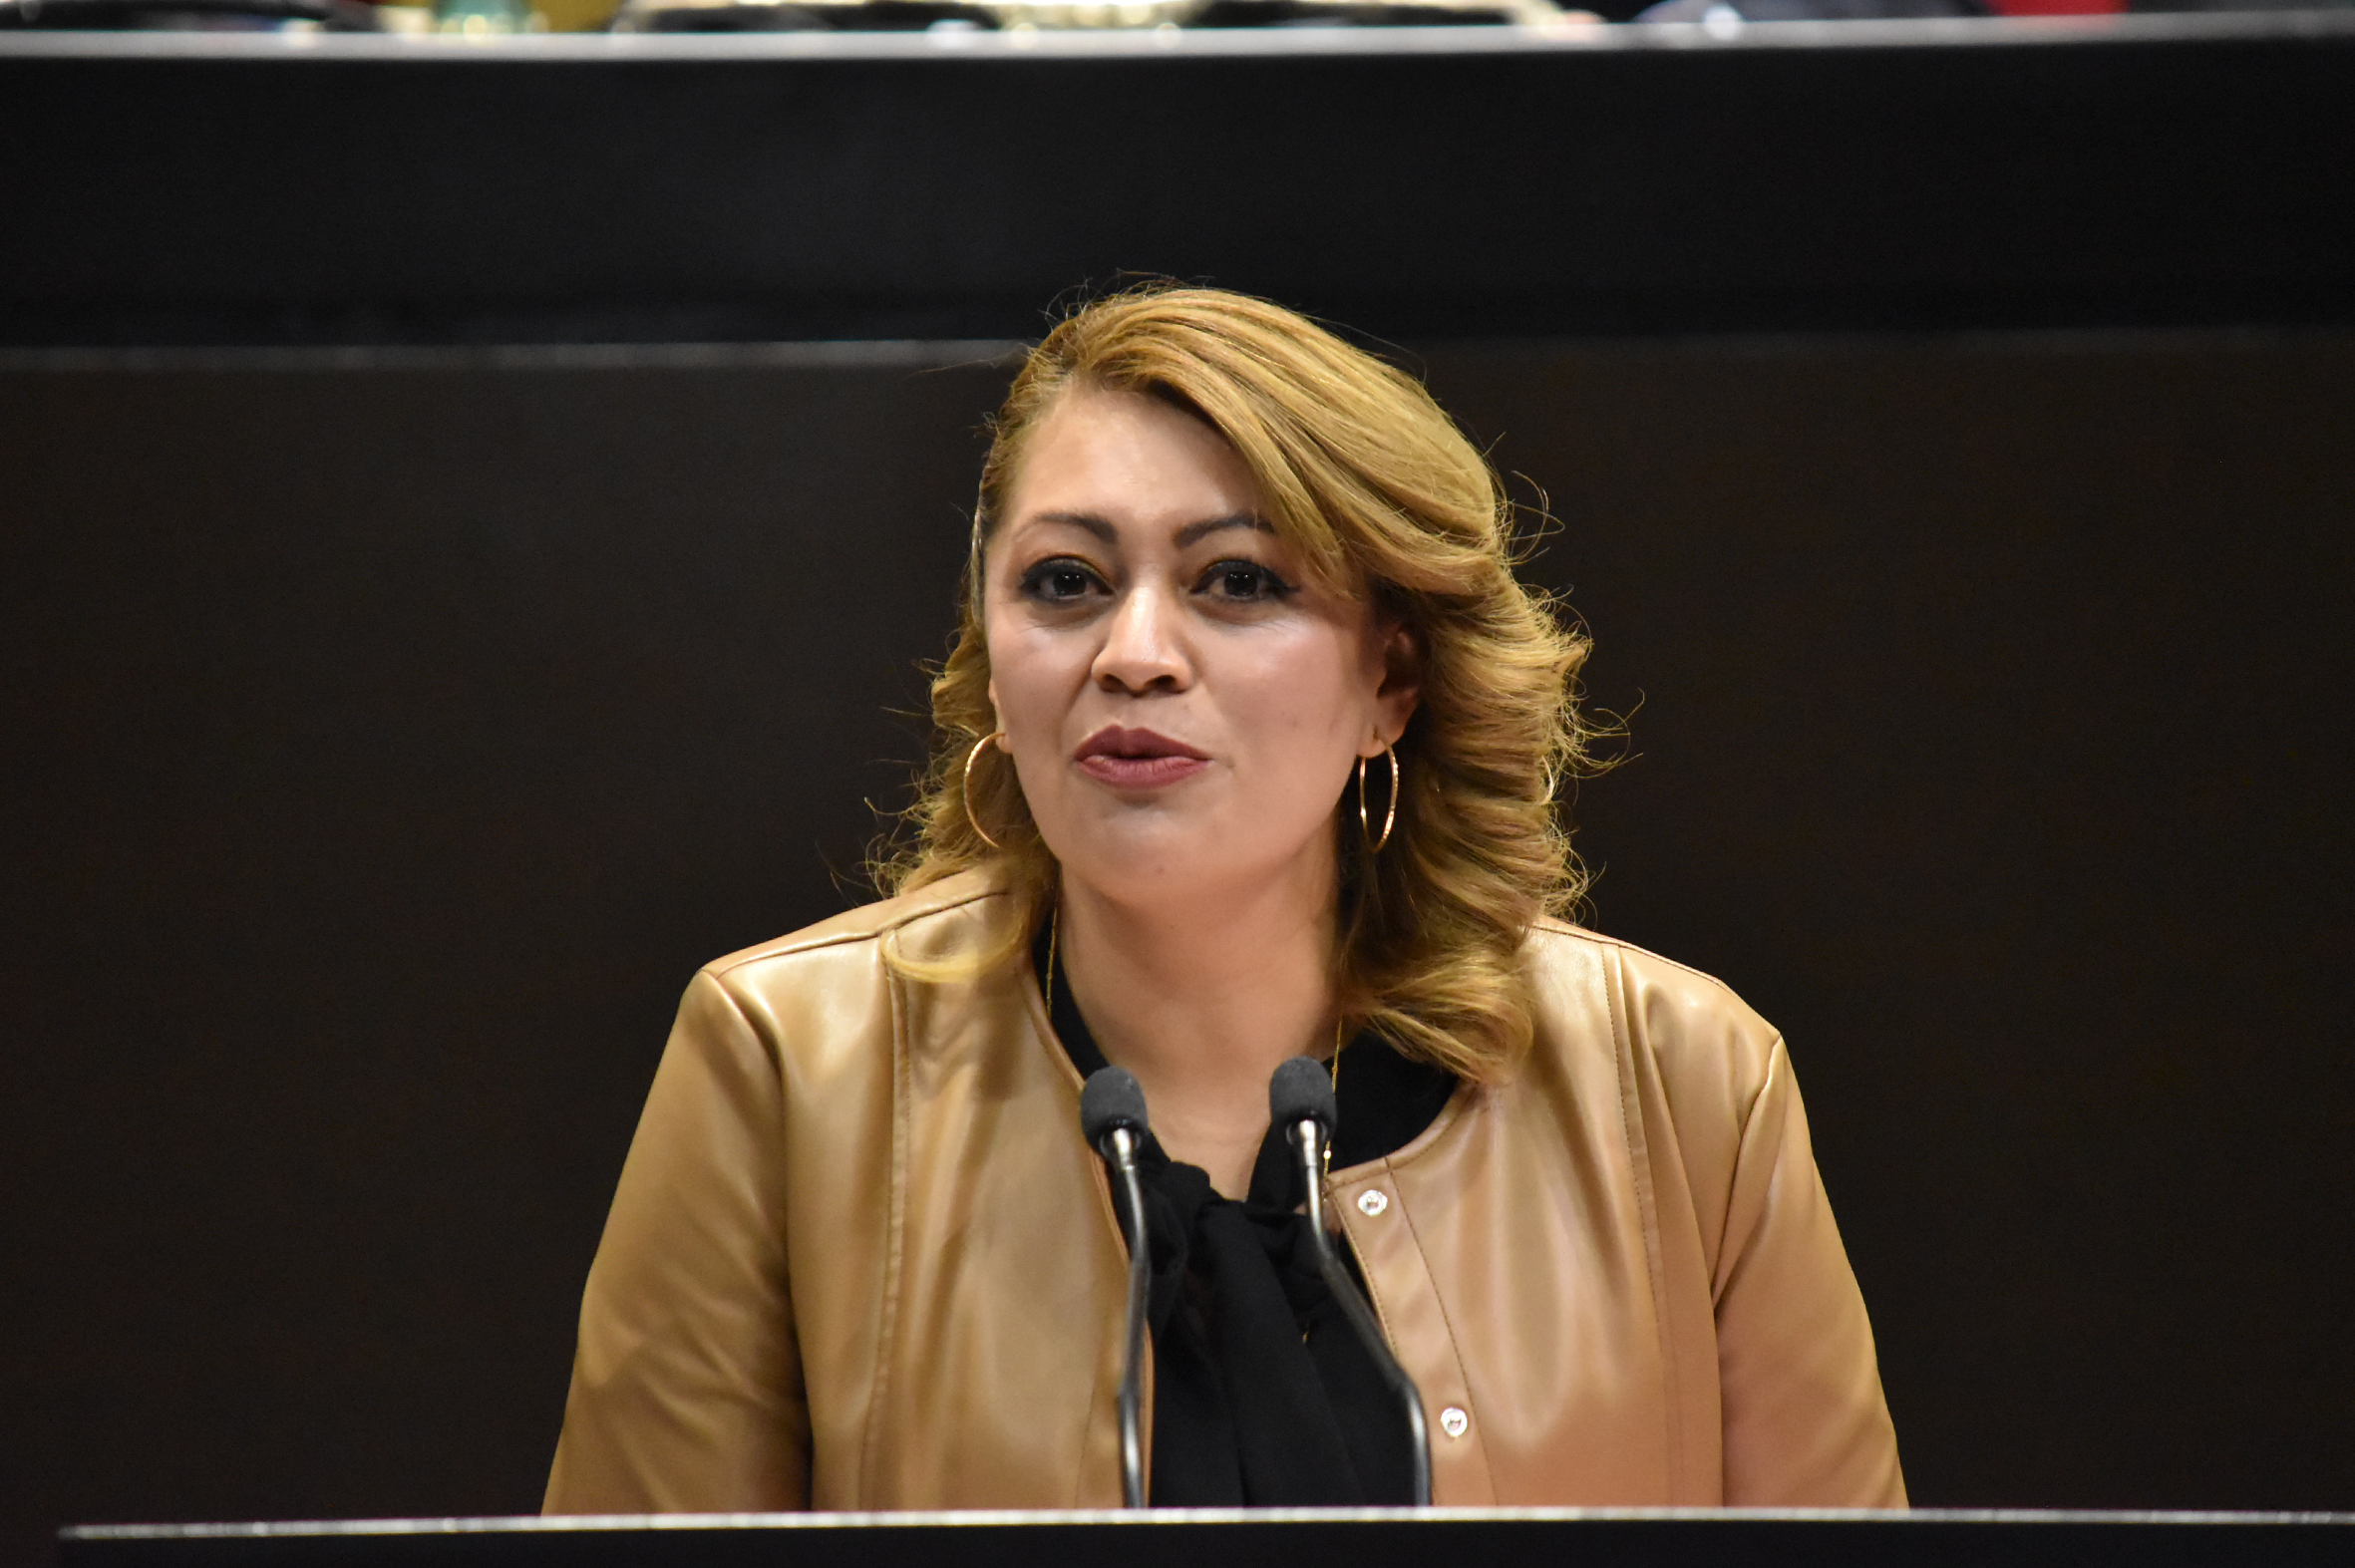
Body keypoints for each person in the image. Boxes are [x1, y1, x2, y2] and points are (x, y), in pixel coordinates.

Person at [541, 285, 1905, 1512]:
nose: (1133, 652)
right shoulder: (788, 1071)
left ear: (1391, 681)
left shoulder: (1683, 1085)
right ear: (992, 666)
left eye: (1236, 582)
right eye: (1066, 582)